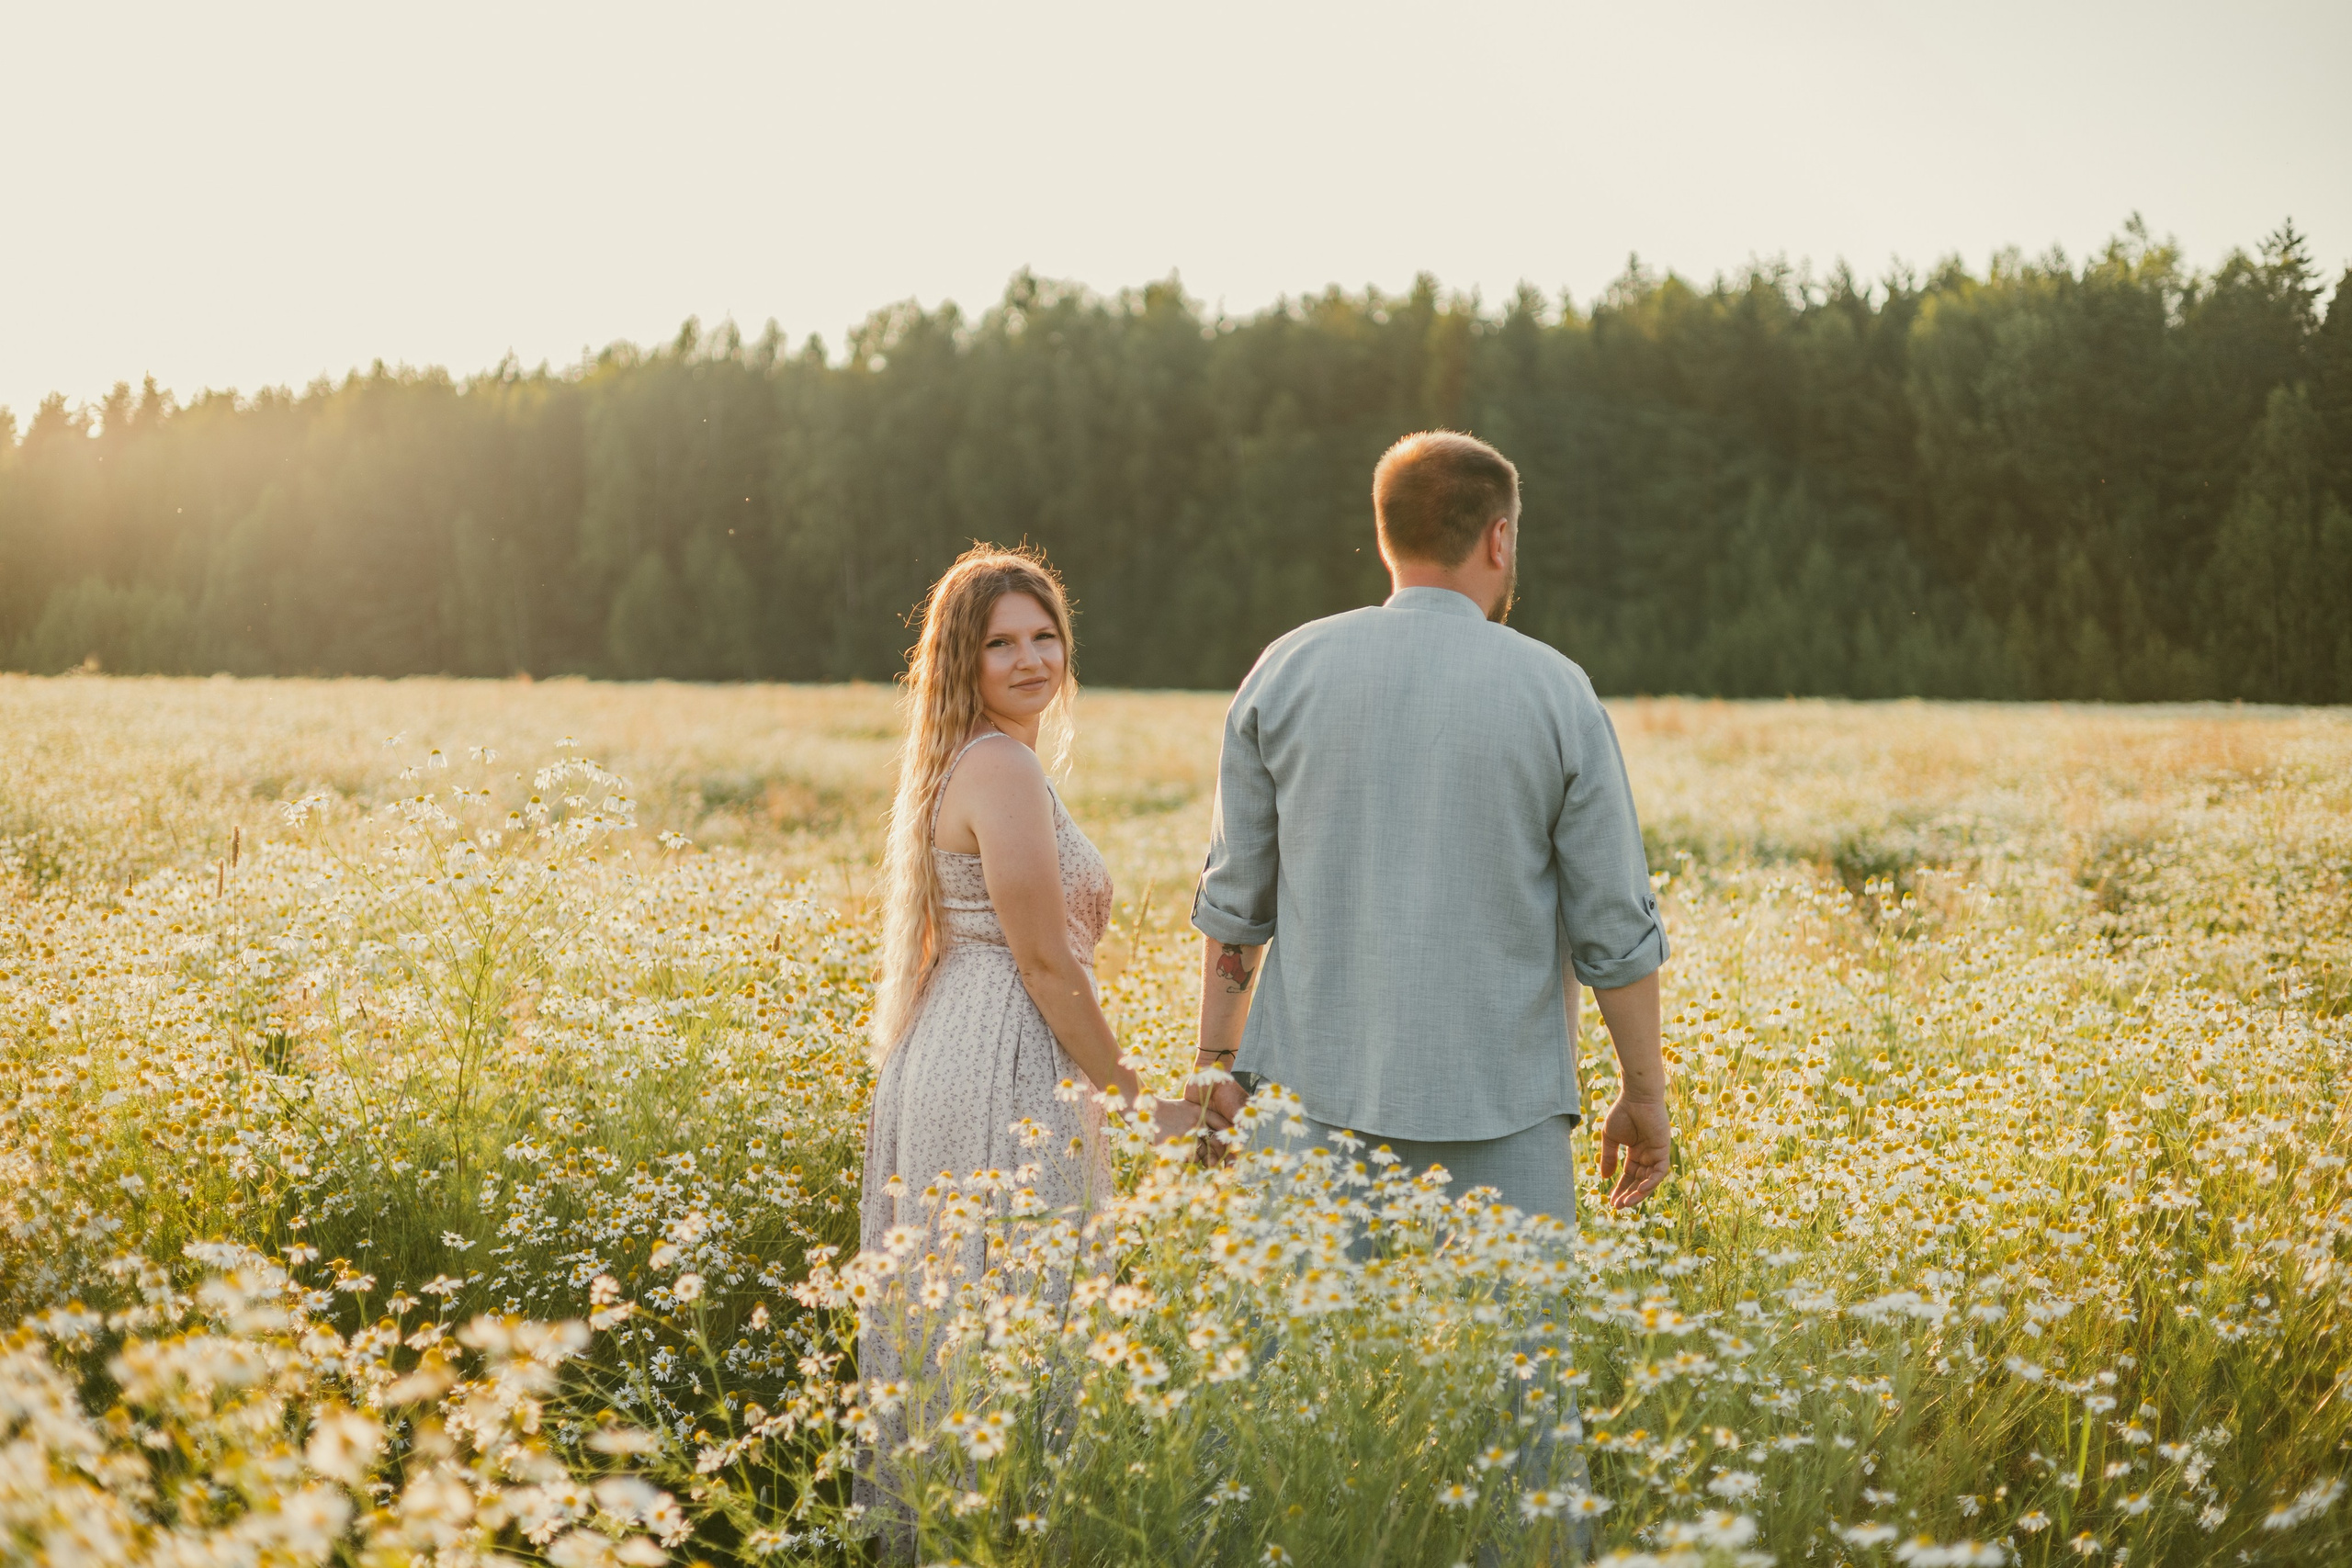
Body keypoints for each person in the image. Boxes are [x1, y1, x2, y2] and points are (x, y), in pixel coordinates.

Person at [1186, 430, 1674, 1221]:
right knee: (1507, 1347)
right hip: (1505, 1112)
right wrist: (1642, 1094)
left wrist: (1215, 1066)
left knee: (1306, 1346)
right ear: (1500, 536)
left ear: (1386, 534)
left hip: (1310, 1107)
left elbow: (1237, 904)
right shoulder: (1557, 690)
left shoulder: (1285, 669)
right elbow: (1614, 925)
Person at [855, 544, 1189, 1537]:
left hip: (961, 1039)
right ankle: (998, 1538)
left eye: (1045, 636)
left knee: (968, 1321)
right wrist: (1142, 1101)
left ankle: (970, 1534)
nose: (1031, 658)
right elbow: (1045, 962)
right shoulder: (999, 765)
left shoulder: (975, 759)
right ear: (962, 660)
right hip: (1003, 1052)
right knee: (1019, 1318)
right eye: (1002, 643)